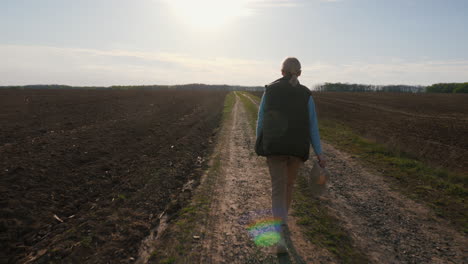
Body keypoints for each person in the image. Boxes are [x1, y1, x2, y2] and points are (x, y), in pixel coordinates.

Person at [255, 57, 326, 254]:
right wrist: (319, 154)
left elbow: (261, 120)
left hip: (275, 147)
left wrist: (259, 142)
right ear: (300, 73)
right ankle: (283, 226)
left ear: (281, 72)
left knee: (278, 189)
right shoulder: (306, 94)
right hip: (297, 149)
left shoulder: (270, 90)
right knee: (288, 186)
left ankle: (279, 235)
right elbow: (313, 126)